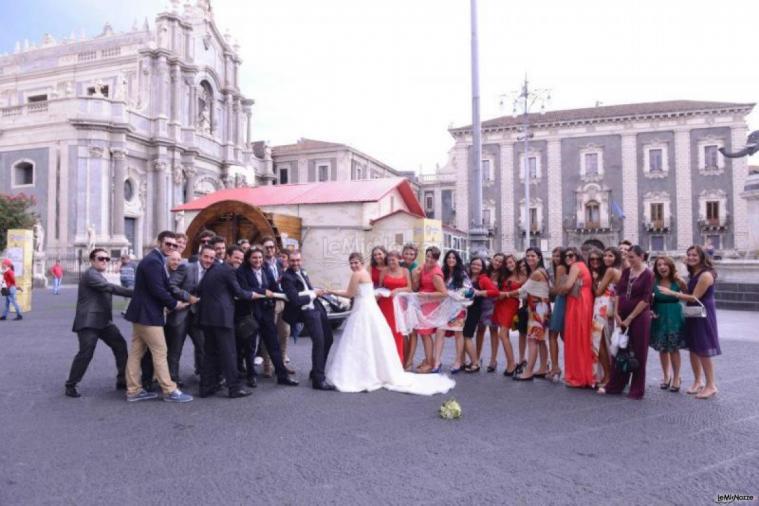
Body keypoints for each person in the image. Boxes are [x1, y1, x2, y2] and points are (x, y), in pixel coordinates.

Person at [324, 252, 455, 395]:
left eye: (356, 262)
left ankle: (363, 373)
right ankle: (374, 371)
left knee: (360, 340)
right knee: (370, 340)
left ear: (361, 263)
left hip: (363, 310)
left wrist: (330, 291)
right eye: (351, 263)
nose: (354, 265)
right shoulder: (365, 273)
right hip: (369, 309)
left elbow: (350, 294)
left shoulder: (357, 274)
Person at [123, 231, 194, 403]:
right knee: (160, 352)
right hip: (148, 315)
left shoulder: (154, 260)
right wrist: (175, 304)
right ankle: (169, 390)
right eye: (168, 244)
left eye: (174, 245)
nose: (171, 247)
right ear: (159, 242)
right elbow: (158, 290)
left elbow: (162, 287)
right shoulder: (153, 262)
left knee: (136, 353)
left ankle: (133, 390)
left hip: (141, 314)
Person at [64, 249, 133, 397]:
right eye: (101, 258)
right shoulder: (91, 274)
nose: (105, 261)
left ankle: (122, 379)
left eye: (107, 259)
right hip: (89, 322)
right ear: (92, 260)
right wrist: (134, 292)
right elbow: (110, 288)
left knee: (120, 345)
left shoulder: (98, 274)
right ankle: (71, 384)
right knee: (86, 353)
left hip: (103, 321)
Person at [196, 245, 260, 398]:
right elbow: (239, 292)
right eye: (236, 257)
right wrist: (253, 294)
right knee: (229, 353)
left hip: (206, 318)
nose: (238, 261)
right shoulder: (228, 270)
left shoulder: (213, 269)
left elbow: (199, 289)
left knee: (210, 354)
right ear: (228, 256)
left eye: (240, 258)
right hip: (222, 318)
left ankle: (206, 387)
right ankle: (234, 388)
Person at [659, 245, 721, 399]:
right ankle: (698, 381)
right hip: (693, 312)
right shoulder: (695, 273)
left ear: (702, 256)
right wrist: (681, 284)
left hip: (702, 313)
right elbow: (690, 293)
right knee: (693, 347)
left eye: (695, 255)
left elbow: (694, 297)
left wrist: (671, 292)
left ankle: (711, 385)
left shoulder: (706, 275)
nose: (691, 257)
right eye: (689, 254)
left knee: (703, 348)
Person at [236, 246, 298, 388]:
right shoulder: (241, 271)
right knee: (250, 346)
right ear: (248, 259)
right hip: (250, 313)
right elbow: (243, 289)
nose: (258, 260)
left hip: (266, 312)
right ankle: (251, 375)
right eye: (254, 258)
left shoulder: (266, 269)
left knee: (273, 344)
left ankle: (282, 376)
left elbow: (274, 287)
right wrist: (264, 291)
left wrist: (286, 293)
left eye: (260, 257)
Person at [604, 245, 654, 399]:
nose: (628, 260)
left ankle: (637, 388)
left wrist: (630, 318)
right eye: (627, 257)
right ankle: (615, 385)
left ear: (641, 257)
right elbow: (618, 292)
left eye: (632, 257)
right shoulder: (626, 271)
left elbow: (646, 299)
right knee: (619, 348)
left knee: (639, 352)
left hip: (639, 317)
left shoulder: (648, 274)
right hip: (622, 315)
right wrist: (618, 314)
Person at [281, 250, 335, 390]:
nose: (295, 263)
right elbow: (295, 299)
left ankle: (316, 370)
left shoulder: (303, 271)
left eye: (298, 260)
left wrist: (316, 291)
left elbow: (306, 289)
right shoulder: (286, 277)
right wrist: (313, 294)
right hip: (307, 311)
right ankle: (318, 380)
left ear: (301, 260)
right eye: (293, 261)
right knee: (319, 342)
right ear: (288, 261)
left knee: (328, 339)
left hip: (317, 308)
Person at [505, 248, 551, 381]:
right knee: (540, 340)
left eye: (533, 256)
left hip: (537, 309)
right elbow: (526, 292)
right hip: (542, 307)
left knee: (532, 340)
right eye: (528, 256)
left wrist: (506, 294)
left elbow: (522, 290)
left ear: (539, 257)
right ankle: (542, 368)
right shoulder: (541, 271)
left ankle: (529, 371)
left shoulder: (536, 273)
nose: (530, 258)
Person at [167, 245, 210, 381]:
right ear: (200, 255)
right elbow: (171, 285)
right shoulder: (186, 267)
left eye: (211, 258)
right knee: (176, 349)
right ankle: (173, 380)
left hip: (198, 316)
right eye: (206, 256)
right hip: (182, 313)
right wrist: (187, 297)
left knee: (202, 346)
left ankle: (205, 378)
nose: (208, 260)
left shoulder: (212, 271)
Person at [558, 247, 595, 388]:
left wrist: (558, 288)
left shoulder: (575, 266)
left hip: (577, 301)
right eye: (565, 256)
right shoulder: (584, 266)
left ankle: (577, 376)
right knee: (584, 338)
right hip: (585, 301)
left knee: (575, 338)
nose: (568, 258)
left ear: (577, 255)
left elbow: (567, 286)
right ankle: (585, 374)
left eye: (571, 255)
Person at [650, 256, 686, 393]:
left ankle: (677, 377)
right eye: (659, 265)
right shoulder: (653, 281)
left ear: (670, 266)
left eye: (665, 264)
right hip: (659, 315)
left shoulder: (677, 280)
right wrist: (651, 311)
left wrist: (681, 282)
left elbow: (689, 295)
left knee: (674, 348)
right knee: (662, 348)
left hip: (674, 315)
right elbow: (648, 298)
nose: (662, 267)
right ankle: (666, 376)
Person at [260, 236, 295, 377]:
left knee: (285, 332)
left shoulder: (281, 263)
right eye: (266, 247)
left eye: (271, 247)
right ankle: (267, 366)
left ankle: (281, 365)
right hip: (269, 302)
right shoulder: (260, 263)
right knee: (268, 335)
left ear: (275, 249)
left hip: (283, 301)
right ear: (263, 249)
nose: (269, 249)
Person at [433, 250, 471, 373]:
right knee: (439, 332)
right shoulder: (442, 272)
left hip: (458, 308)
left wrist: (451, 293)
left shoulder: (462, 274)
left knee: (458, 334)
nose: (451, 260)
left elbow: (469, 291)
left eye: (453, 258)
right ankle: (437, 361)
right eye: (449, 257)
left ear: (457, 260)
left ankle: (458, 362)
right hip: (444, 307)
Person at [589, 247, 621, 388]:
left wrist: (593, 281)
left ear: (616, 258)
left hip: (602, 306)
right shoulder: (619, 271)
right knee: (605, 342)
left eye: (611, 256)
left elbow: (598, 292)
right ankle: (608, 375)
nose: (606, 258)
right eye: (605, 256)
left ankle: (607, 376)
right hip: (609, 307)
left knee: (601, 343)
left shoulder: (610, 271)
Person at [462, 256, 499, 373]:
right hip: (463, 309)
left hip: (474, 310)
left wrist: (480, 292)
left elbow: (495, 292)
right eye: (474, 264)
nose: (475, 266)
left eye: (479, 265)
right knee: (463, 335)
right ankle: (465, 361)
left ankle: (475, 362)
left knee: (467, 335)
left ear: (482, 267)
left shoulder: (483, 279)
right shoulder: (467, 276)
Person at [414, 247, 446, 373]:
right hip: (423, 303)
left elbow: (444, 293)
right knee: (423, 334)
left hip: (430, 304)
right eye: (428, 256)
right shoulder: (424, 267)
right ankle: (428, 359)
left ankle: (430, 362)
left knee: (426, 334)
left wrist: (427, 295)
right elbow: (418, 285)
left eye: (433, 257)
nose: (429, 259)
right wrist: (416, 276)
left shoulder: (436, 273)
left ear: (437, 259)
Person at [377, 251, 412, 364]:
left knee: (398, 332)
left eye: (393, 260)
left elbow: (409, 288)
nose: (391, 262)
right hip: (385, 304)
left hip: (399, 305)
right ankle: (386, 362)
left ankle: (399, 361)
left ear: (399, 260)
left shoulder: (405, 271)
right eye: (389, 260)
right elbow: (380, 287)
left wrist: (398, 290)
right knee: (386, 332)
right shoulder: (384, 271)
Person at [493, 254, 521, 376]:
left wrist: (507, 294)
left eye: (511, 262)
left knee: (502, 334)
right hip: (501, 304)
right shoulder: (505, 275)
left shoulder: (522, 275)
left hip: (511, 305)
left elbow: (522, 292)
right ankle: (510, 363)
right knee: (505, 335)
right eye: (507, 263)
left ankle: (512, 364)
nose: (509, 264)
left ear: (516, 262)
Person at [478, 253, 504, 373]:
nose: (497, 263)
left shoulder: (503, 275)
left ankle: (493, 360)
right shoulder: (484, 272)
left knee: (494, 331)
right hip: (482, 304)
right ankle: (476, 358)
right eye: (496, 260)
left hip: (496, 305)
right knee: (480, 330)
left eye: (500, 261)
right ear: (492, 259)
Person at [547, 247, 566, 382]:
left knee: (556, 334)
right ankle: (555, 367)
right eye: (554, 256)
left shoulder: (561, 269)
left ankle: (556, 368)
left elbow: (558, 290)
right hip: (559, 302)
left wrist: (548, 289)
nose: (556, 258)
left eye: (558, 256)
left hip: (562, 301)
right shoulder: (551, 269)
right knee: (554, 334)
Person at [401, 243, 420, 369]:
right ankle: (403, 357)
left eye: (412, 254)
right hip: (400, 301)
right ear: (403, 253)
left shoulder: (415, 268)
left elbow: (415, 288)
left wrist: (415, 278)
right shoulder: (400, 264)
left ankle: (410, 360)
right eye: (407, 253)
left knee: (412, 332)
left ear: (415, 256)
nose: (409, 256)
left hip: (412, 301)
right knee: (402, 331)